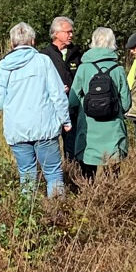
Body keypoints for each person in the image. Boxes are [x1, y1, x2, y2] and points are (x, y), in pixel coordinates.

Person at [0, 22, 72, 196]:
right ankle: (57, 215)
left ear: (12, 44)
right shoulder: (43, 61)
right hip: (44, 128)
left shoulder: (4, 67)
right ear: (33, 41)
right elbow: (57, 95)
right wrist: (66, 120)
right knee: (53, 173)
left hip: (17, 131)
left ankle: (28, 218)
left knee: (26, 175)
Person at [70, 27, 131, 171]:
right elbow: (127, 103)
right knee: (113, 174)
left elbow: (72, 100)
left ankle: (89, 193)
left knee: (87, 173)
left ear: (93, 42)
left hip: (88, 129)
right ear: (112, 43)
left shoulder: (83, 68)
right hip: (113, 128)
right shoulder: (118, 69)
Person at [36, 16, 78, 171]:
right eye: (68, 32)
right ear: (56, 33)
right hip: (51, 111)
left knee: (72, 148)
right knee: (51, 148)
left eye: (71, 32)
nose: (71, 35)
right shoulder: (44, 55)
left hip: (73, 109)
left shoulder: (77, 53)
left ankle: (74, 175)